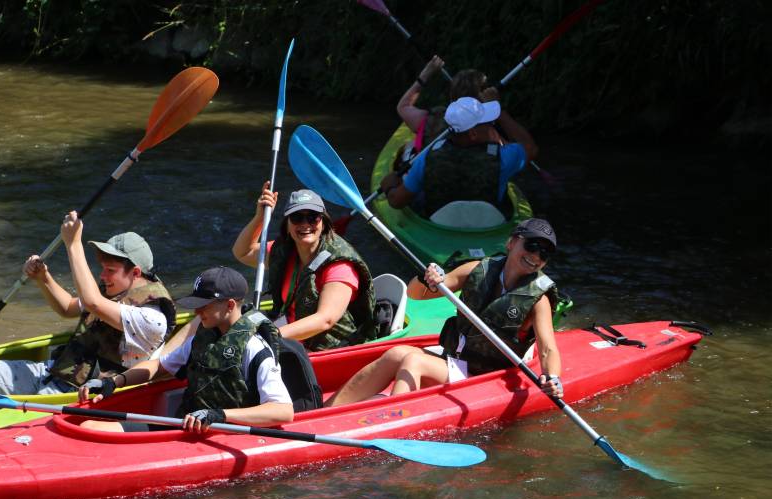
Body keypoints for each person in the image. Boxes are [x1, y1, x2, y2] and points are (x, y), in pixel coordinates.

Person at [326, 218, 563, 407]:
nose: (536, 256)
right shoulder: (477, 269)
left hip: (488, 377)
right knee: (396, 353)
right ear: (511, 243)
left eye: (545, 253)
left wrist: (552, 377)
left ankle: (396, 419)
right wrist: (427, 278)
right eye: (532, 246)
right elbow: (418, 293)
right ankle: (327, 411)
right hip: (458, 362)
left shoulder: (538, 299)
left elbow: (548, 348)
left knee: (414, 360)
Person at [0, 211, 176, 395]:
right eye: (102, 268)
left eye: (110, 270)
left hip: (82, 394)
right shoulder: (114, 290)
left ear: (135, 272)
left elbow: (92, 303)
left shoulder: (152, 319)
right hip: (55, 372)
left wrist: (73, 244)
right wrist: (43, 278)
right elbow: (68, 308)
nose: (102, 276)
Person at [78, 266, 294, 433]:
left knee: (93, 429)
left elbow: (283, 411)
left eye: (205, 304)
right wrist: (114, 382)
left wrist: (220, 415)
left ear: (229, 305)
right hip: (187, 427)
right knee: (89, 425)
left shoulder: (255, 348)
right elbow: (159, 366)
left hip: (222, 432)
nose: (197, 311)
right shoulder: (203, 336)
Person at [231, 184, 377, 351]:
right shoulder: (287, 250)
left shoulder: (340, 265)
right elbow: (242, 252)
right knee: (221, 313)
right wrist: (260, 217)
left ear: (323, 221)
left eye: (313, 217)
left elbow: (325, 319)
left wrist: (266, 336)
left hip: (329, 348)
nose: (305, 224)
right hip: (291, 336)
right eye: (297, 218)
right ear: (287, 224)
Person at [380, 94, 538, 221]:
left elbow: (396, 201)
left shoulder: (427, 157)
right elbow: (530, 147)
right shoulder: (504, 157)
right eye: (487, 123)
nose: (491, 124)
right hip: (488, 224)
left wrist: (389, 186)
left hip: (440, 224)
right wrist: (502, 113)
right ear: (473, 134)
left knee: (417, 192)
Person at [395, 56, 491, 155]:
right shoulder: (490, 125)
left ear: (451, 94)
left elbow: (403, 107)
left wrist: (426, 73)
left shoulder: (434, 119)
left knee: (410, 145)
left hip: (437, 167)